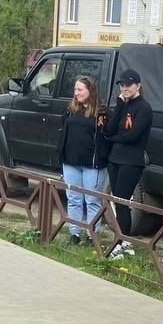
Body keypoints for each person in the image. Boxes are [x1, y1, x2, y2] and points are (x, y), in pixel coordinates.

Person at [104, 69, 153, 258]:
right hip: (115, 159)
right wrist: (118, 104)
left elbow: (133, 136)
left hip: (131, 161)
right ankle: (123, 240)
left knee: (123, 201)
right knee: (117, 201)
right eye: (122, 85)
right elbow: (109, 129)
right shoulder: (123, 104)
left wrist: (113, 138)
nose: (124, 88)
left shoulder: (144, 108)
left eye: (128, 85)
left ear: (138, 86)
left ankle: (124, 241)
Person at [57, 75, 110, 245]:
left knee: (92, 200)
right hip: (71, 161)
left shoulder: (102, 112)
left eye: (80, 90)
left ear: (90, 91)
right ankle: (74, 233)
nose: (76, 93)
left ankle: (91, 235)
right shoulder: (71, 109)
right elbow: (63, 127)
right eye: (75, 89)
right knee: (73, 198)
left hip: (92, 164)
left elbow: (107, 135)